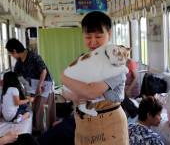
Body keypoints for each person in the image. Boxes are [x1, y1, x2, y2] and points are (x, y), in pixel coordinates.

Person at [61, 11, 129, 145]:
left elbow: (91, 92)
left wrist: (63, 77)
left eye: (98, 36)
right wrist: (76, 93)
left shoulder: (115, 62)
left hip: (110, 123)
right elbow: (65, 92)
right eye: (87, 37)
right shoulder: (83, 59)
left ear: (109, 34)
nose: (93, 42)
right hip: (84, 124)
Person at [5, 38, 56, 132]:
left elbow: (43, 71)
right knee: (35, 108)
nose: (12, 56)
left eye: (11, 54)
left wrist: (40, 85)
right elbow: (16, 76)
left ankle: (46, 130)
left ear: (15, 51)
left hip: (45, 83)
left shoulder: (33, 56)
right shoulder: (19, 62)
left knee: (41, 108)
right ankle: (38, 130)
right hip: (33, 86)